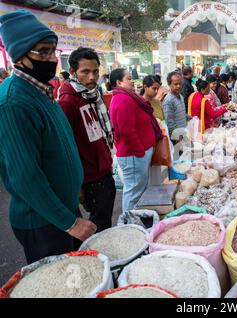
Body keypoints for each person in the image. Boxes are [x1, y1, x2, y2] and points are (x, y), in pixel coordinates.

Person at [0, 9, 96, 264]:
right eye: (42, 51)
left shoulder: (42, 90)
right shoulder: (13, 102)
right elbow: (25, 177)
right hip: (43, 222)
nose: (51, 58)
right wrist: (69, 223)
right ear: (19, 56)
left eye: (53, 50)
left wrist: (74, 188)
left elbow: (59, 148)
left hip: (62, 209)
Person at [58, 47, 116, 233]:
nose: (92, 77)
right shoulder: (68, 102)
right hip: (89, 177)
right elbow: (66, 148)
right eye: (85, 72)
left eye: (95, 71)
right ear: (73, 73)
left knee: (105, 219)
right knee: (99, 226)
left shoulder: (93, 95)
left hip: (103, 170)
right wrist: (78, 187)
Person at [109, 68, 162, 214]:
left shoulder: (129, 97)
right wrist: (140, 151)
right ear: (119, 82)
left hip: (138, 154)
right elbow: (126, 131)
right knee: (133, 192)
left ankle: (135, 218)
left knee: (137, 190)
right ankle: (128, 222)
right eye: (128, 78)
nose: (132, 81)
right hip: (134, 154)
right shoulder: (123, 99)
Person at [163, 71, 188, 143]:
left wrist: (187, 116)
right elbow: (169, 121)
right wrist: (176, 136)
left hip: (183, 133)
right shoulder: (168, 100)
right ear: (169, 84)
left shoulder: (180, 96)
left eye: (180, 84)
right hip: (177, 137)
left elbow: (179, 113)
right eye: (175, 84)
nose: (178, 86)